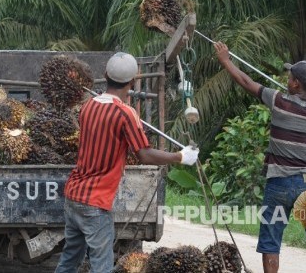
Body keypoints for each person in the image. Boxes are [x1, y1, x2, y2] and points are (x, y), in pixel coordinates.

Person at [55, 52, 199, 273]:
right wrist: (180, 156)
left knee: (69, 261)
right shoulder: (125, 113)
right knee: (101, 266)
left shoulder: (88, 106)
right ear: (133, 81)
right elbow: (144, 154)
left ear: (105, 75)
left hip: (73, 195)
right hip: (95, 201)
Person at [214, 42, 306, 273]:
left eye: (290, 77)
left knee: (271, 238)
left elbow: (246, 82)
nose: (287, 79)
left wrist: (225, 60)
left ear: (296, 83)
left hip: (278, 182)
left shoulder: (279, 101)